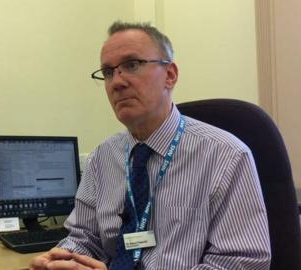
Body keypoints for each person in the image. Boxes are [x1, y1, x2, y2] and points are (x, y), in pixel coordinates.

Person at [29, 21, 271, 270]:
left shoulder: (226, 156)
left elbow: (241, 263)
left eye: (131, 65)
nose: (116, 82)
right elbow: (84, 238)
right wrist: (61, 258)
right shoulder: (102, 157)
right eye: (108, 72)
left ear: (170, 75)